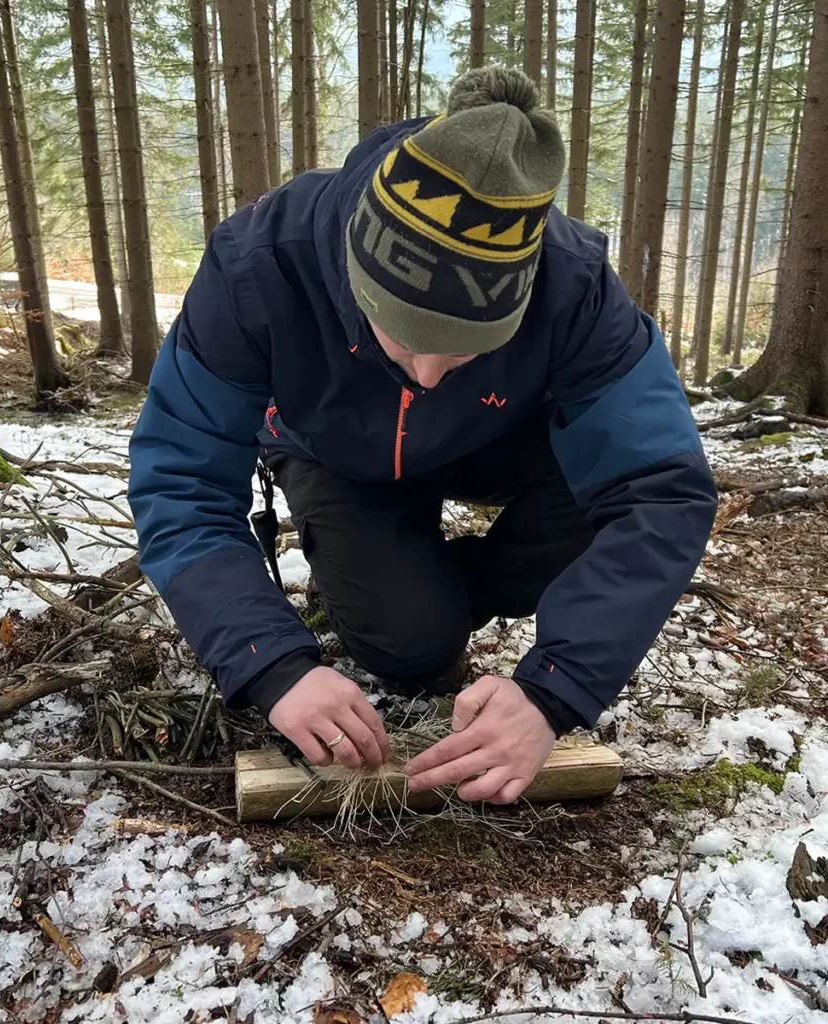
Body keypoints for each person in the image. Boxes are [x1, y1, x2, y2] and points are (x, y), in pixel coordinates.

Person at [127, 68, 717, 806]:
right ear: (357, 272)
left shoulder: (573, 284)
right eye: (405, 341)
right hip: (334, 449)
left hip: (499, 440)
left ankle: (443, 577)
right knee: (410, 645)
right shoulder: (261, 263)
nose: (431, 375)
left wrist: (555, 693)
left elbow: (661, 489)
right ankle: (411, 591)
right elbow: (180, 479)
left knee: (590, 515)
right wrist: (269, 664)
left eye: (467, 348)